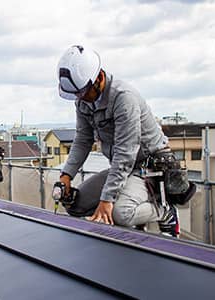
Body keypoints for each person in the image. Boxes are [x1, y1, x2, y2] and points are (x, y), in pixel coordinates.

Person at [57, 45, 180, 237]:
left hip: (148, 168)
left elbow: (126, 152)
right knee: (75, 204)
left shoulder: (124, 98)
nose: (80, 98)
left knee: (119, 213)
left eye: (83, 92)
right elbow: (83, 139)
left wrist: (107, 199)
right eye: (77, 94)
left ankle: (164, 212)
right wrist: (66, 175)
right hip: (123, 167)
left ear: (98, 78)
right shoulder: (83, 100)